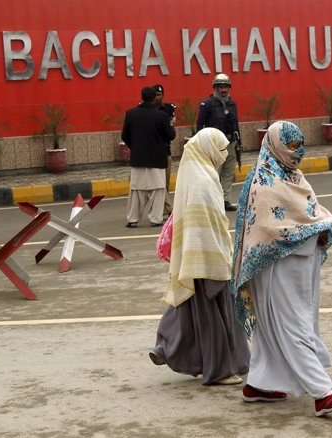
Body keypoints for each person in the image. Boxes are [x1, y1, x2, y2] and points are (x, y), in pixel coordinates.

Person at [230, 121, 332, 417]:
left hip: (302, 264)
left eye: (300, 145)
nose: (298, 152)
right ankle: (323, 393)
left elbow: (312, 212)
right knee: (291, 325)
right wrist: (313, 229)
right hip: (275, 267)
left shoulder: (293, 175)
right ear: (277, 146)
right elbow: (270, 228)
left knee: (279, 325)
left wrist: (319, 228)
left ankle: (258, 384)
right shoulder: (264, 181)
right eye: (292, 146)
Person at [149, 127, 250, 386]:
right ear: (208, 149)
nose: (225, 154)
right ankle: (219, 369)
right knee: (212, 316)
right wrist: (220, 261)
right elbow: (209, 227)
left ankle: (166, 347)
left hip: (193, 257)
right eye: (221, 148)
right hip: (207, 258)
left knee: (188, 309)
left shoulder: (195, 175)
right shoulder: (204, 182)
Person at [121, 86, 176, 228]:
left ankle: (132, 219)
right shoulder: (161, 116)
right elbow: (170, 135)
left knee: (137, 190)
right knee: (158, 190)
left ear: (142, 97)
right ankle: (155, 219)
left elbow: (125, 135)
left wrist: (136, 148)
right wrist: (171, 125)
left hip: (138, 158)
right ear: (154, 98)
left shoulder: (131, 114)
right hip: (157, 158)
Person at [196, 73, 241, 211]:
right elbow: (199, 125)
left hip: (230, 142)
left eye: (226, 87)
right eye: (220, 87)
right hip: (214, 144)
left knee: (228, 172)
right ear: (215, 88)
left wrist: (239, 142)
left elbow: (236, 124)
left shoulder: (232, 103)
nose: (223, 90)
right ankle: (212, 201)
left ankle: (225, 200)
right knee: (214, 173)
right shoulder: (207, 104)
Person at [152, 84, 177, 220]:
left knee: (165, 183)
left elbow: (170, 130)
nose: (157, 98)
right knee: (159, 183)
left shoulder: (168, 109)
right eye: (155, 95)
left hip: (165, 150)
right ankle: (167, 209)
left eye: (159, 95)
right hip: (153, 151)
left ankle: (161, 209)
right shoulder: (147, 110)